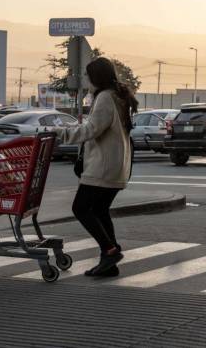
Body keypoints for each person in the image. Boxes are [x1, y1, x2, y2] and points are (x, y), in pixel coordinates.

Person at [56, 57, 138, 278]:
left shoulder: (104, 97)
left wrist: (60, 133)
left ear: (96, 77)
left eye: (87, 75)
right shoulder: (117, 96)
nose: (85, 80)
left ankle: (110, 251)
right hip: (116, 165)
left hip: (102, 167)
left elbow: (92, 130)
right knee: (100, 211)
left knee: (80, 208)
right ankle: (109, 261)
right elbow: (97, 125)